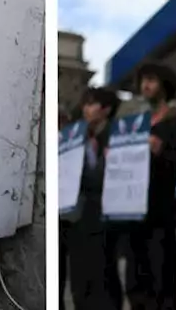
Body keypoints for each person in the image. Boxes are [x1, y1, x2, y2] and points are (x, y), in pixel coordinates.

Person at [126, 62, 176, 310]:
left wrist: (163, 152)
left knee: (162, 280)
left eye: (151, 80)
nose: (145, 86)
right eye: (143, 80)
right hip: (133, 212)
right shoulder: (136, 124)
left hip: (162, 214)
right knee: (135, 280)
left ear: (164, 84)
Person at [63, 87, 125, 310]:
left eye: (92, 104)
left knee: (104, 277)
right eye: (85, 104)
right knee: (81, 278)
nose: (86, 109)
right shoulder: (75, 137)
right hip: (78, 219)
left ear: (106, 110)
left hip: (104, 218)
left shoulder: (116, 136)